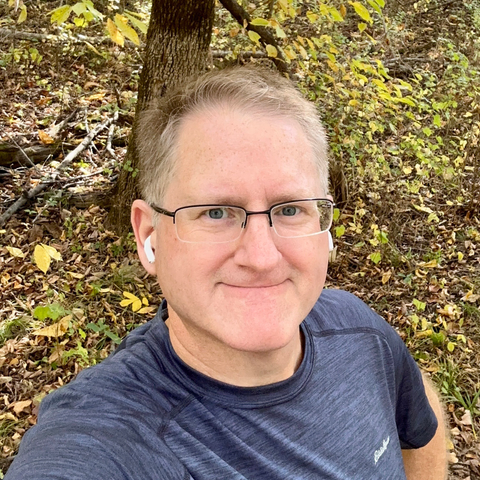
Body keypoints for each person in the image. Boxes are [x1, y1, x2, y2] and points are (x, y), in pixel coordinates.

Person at [6, 66, 447, 480]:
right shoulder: (110, 435)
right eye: (216, 212)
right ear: (149, 236)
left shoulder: (357, 328)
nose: (261, 257)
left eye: (290, 209)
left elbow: (419, 426)